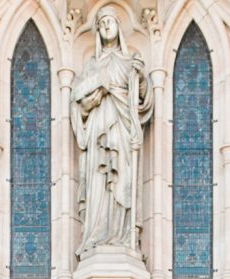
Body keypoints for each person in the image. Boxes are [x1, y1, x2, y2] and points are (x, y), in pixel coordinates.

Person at [70, 5, 153, 254]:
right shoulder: (91, 66)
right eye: (102, 22)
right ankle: (97, 234)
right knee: (98, 183)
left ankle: (122, 236)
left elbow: (143, 100)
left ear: (118, 26)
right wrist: (93, 99)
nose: (107, 26)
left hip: (122, 129)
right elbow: (79, 103)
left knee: (122, 181)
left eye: (111, 21)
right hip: (98, 132)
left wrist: (139, 78)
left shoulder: (129, 62)